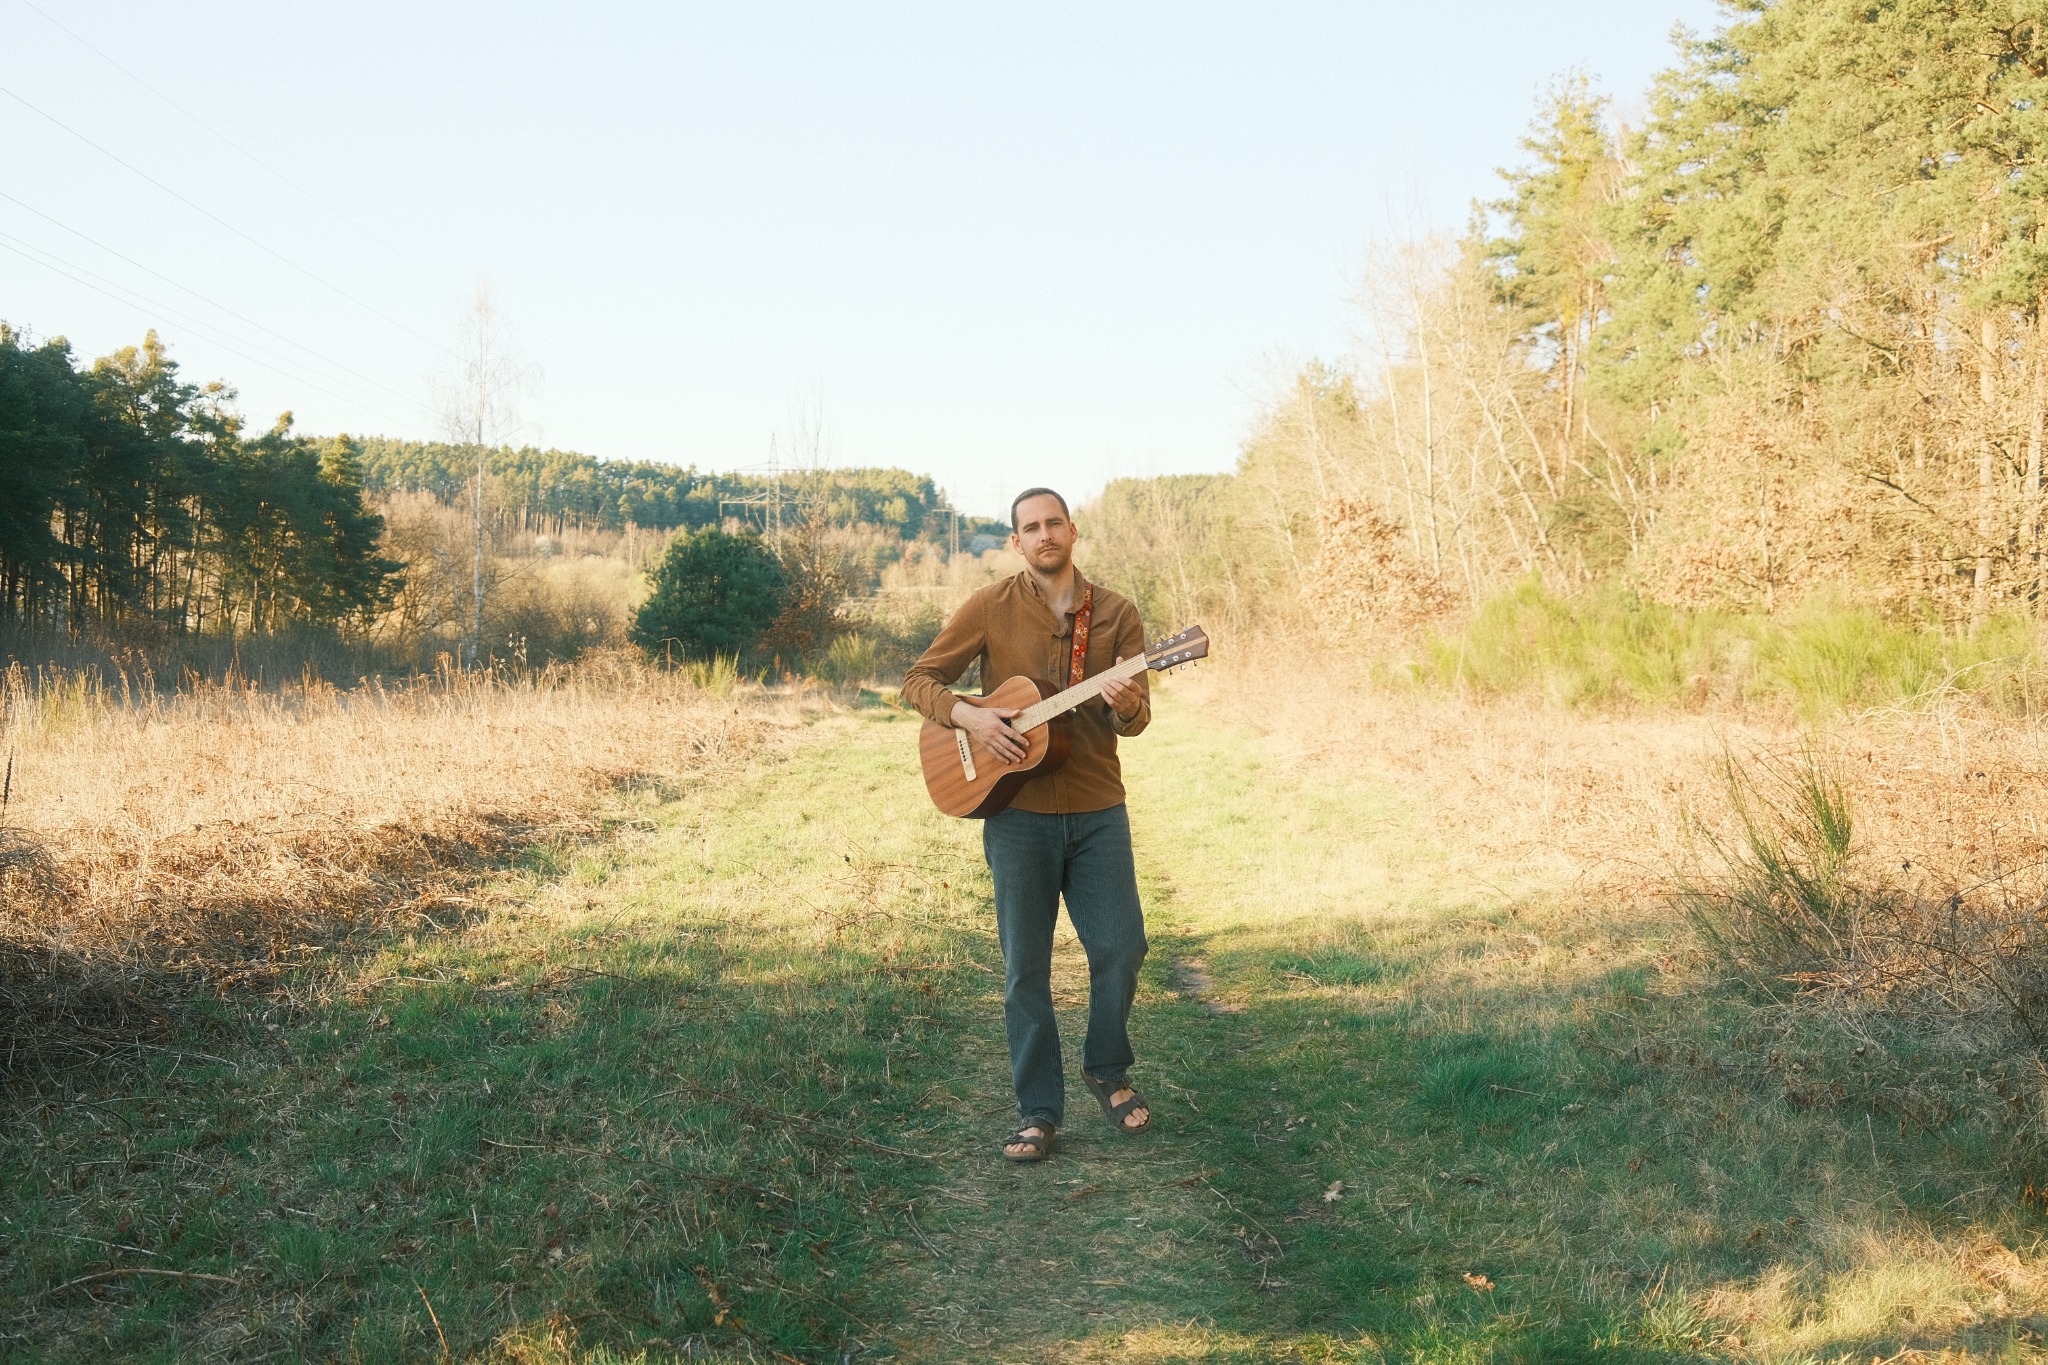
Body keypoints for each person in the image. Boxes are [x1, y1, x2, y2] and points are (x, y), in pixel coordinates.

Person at [902, 487, 1153, 1162]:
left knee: (1123, 946)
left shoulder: (1119, 614)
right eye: (1030, 527)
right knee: (1026, 970)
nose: (1044, 534)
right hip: (1017, 815)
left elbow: (1139, 719)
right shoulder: (989, 606)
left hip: (1098, 805)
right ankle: (1038, 1110)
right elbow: (920, 680)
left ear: (1073, 531)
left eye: (1054, 523)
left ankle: (1106, 1066)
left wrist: (1126, 704)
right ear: (1016, 541)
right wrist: (972, 716)